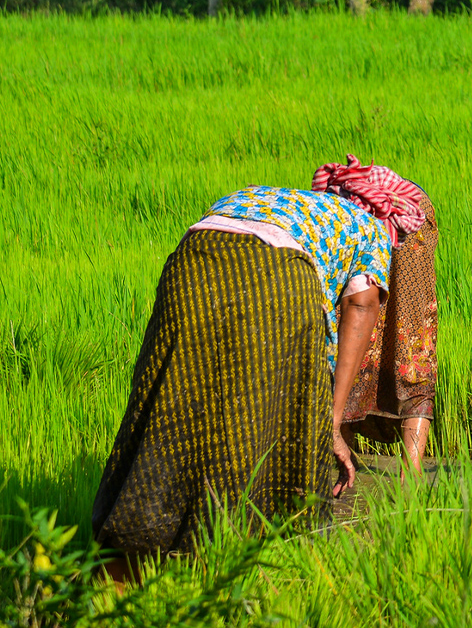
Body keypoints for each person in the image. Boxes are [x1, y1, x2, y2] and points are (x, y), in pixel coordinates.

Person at [91, 156, 425, 563]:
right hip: (277, 273)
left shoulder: (264, 197)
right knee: (261, 419)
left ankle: (130, 549)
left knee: (170, 405)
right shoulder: (368, 227)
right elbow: (362, 304)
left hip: (191, 261)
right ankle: (239, 554)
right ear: (386, 217)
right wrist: (331, 422)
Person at [333, 165, 439, 473]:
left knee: (348, 341)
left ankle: (343, 469)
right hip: (412, 214)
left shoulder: (325, 212)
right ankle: (411, 477)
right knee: (413, 344)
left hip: (371, 218)